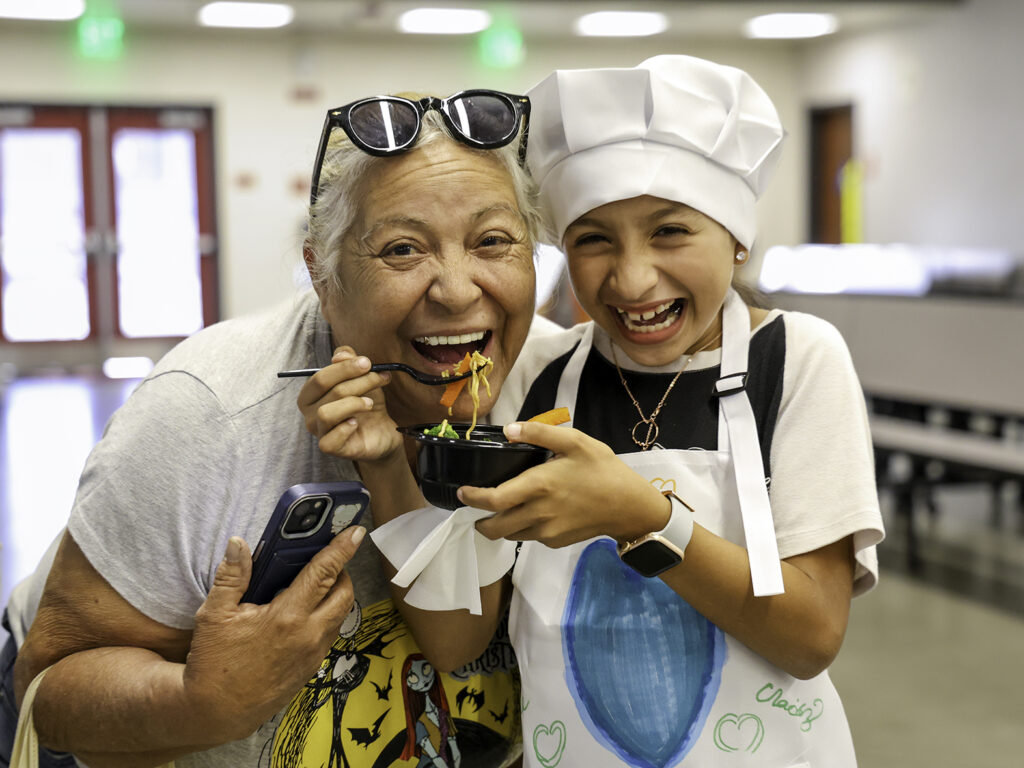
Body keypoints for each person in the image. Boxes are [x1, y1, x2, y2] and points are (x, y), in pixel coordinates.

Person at [2, 88, 553, 767]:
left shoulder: (554, 382)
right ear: (323, 276)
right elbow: (48, 685)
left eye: (492, 241)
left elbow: (462, 642)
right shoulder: (211, 409)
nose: (458, 290)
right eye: (404, 249)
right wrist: (201, 703)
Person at [373, 56, 886, 767]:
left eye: (671, 232)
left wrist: (644, 518)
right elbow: (458, 641)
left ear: (737, 237)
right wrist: (383, 465)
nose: (632, 278)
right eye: (593, 238)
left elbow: (811, 637)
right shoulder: (538, 378)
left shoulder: (794, 360)